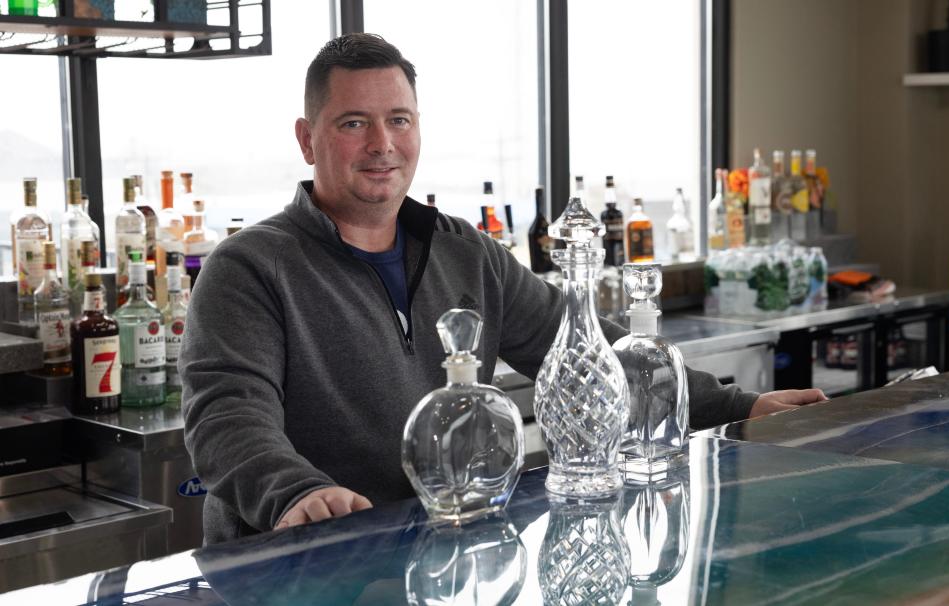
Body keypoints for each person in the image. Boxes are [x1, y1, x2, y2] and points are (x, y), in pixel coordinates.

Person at [180, 33, 827, 545]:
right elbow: (227, 416)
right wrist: (294, 493)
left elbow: (595, 355)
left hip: (437, 552)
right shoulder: (248, 268)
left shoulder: (465, 253)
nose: (381, 145)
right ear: (306, 138)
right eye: (353, 123)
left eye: (398, 120)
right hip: (293, 563)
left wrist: (742, 407)